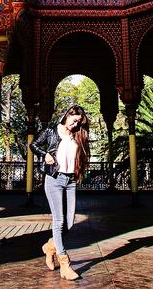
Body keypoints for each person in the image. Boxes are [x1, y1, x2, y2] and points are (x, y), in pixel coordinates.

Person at [29, 105, 91, 281]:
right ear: (67, 115)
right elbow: (33, 145)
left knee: (69, 223)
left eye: (79, 122)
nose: (75, 124)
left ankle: (49, 247)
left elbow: (80, 156)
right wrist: (45, 154)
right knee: (59, 221)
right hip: (54, 179)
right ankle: (64, 263)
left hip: (70, 181)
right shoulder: (51, 131)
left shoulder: (77, 135)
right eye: (74, 120)